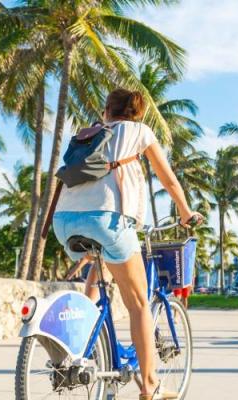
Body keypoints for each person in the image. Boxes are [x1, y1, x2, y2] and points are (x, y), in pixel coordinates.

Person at [52, 88, 202, 400]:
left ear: (107, 110)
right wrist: (186, 213)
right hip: (107, 220)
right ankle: (150, 386)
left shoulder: (89, 133)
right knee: (138, 306)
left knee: (99, 269)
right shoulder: (139, 131)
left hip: (63, 221)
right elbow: (168, 179)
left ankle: (82, 347)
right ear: (138, 113)